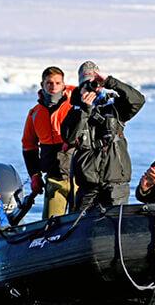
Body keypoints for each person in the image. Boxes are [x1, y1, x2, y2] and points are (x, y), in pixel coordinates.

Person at [61, 61, 145, 211]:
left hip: (115, 183)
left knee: (115, 227)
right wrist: (84, 111)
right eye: (87, 84)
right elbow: (69, 138)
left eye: (95, 83)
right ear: (80, 87)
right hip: (88, 186)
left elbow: (138, 100)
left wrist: (110, 82)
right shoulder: (75, 111)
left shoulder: (115, 107)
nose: (92, 87)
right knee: (81, 227)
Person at [22, 66, 76, 219]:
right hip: (54, 178)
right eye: (49, 83)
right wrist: (34, 175)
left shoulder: (75, 107)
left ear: (63, 85)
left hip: (79, 178)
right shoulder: (35, 113)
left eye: (58, 83)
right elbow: (28, 146)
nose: (53, 87)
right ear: (42, 85)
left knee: (80, 223)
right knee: (50, 223)